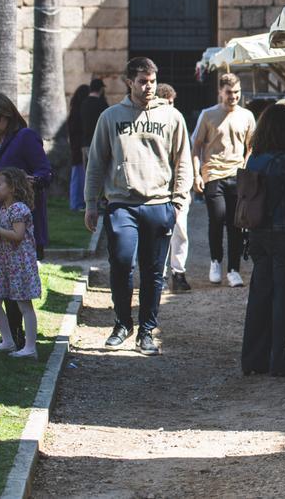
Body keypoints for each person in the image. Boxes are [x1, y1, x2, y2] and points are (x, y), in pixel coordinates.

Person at [84, 57, 192, 356]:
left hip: (159, 203)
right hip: (121, 202)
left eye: (152, 81)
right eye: (143, 81)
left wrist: (179, 200)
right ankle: (122, 323)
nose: (148, 87)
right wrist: (91, 202)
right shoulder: (110, 116)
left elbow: (183, 160)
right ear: (129, 81)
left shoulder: (172, 117)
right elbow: (96, 161)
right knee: (120, 263)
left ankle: (147, 330)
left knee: (154, 271)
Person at [0, 93, 52, 349]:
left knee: (17, 281)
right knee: (2, 278)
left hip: (19, 216)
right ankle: (11, 337)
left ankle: (19, 337)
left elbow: (45, 172)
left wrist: (32, 181)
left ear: (8, 115)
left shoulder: (25, 138)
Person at [241, 103, 285, 376]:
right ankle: (284, 361)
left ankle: (254, 359)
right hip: (284, 233)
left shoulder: (255, 157)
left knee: (260, 295)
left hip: (258, 233)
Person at [192, 73, 256, 287]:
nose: (233, 96)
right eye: (229, 92)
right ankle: (215, 261)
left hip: (237, 174)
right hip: (214, 174)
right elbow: (197, 145)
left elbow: (251, 145)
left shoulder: (247, 115)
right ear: (220, 92)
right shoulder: (208, 115)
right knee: (217, 219)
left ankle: (234, 269)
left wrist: (246, 166)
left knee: (236, 223)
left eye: (237, 92)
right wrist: (196, 173)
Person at [0, 167, 41, 358]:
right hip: (5, 262)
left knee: (24, 304)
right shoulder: (4, 209)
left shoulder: (18, 209)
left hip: (19, 263)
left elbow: (18, 236)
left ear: (13, 187)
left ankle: (30, 347)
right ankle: (8, 341)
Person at [157, 83, 194, 293]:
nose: (169, 106)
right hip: (158, 188)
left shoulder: (177, 120)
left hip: (178, 187)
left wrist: (184, 189)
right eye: (165, 102)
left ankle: (178, 272)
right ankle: (160, 275)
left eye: (171, 102)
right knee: (160, 233)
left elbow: (184, 157)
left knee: (180, 231)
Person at [67, 84, 91, 211]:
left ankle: (77, 203)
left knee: (78, 175)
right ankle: (76, 203)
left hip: (76, 147)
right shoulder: (79, 112)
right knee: (78, 176)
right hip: (78, 148)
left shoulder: (74, 112)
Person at [80, 77, 108, 166]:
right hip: (99, 143)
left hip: (85, 143)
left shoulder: (83, 103)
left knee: (88, 175)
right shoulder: (102, 104)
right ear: (101, 89)